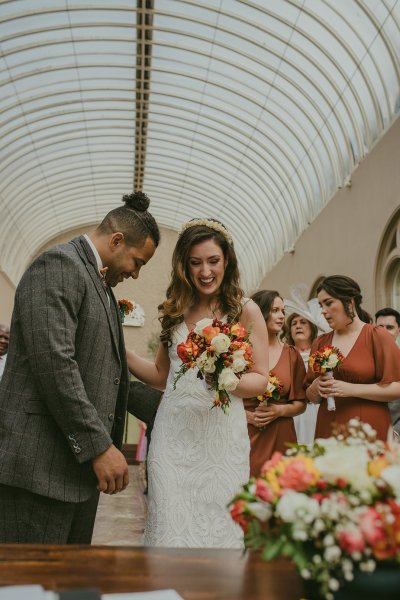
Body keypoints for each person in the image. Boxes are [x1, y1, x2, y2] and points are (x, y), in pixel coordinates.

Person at [0, 192, 159, 544]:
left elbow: (106, 375)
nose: (135, 273)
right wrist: (99, 448)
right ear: (117, 240)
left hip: (75, 477)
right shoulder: (58, 265)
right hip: (38, 472)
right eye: (138, 261)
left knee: (65, 588)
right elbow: (55, 366)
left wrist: (172, 408)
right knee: (31, 590)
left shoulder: (102, 285)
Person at [126, 219, 269, 548]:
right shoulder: (175, 309)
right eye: (195, 263)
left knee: (220, 528)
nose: (205, 271)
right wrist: (123, 352)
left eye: (213, 261)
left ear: (227, 261)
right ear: (184, 267)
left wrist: (224, 378)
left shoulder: (245, 311)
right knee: (169, 527)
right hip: (172, 437)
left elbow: (260, 380)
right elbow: (162, 376)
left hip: (221, 438)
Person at [306, 276, 400, 441]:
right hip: (329, 427)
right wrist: (315, 387)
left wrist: (351, 389)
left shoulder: (377, 336)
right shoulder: (320, 342)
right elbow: (311, 397)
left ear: (349, 302)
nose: (323, 311)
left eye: (328, 303)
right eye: (321, 305)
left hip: (369, 428)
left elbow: (396, 389)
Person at [244, 290, 306, 477]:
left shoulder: (291, 354)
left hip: (282, 434)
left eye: (282, 311)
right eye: (275, 310)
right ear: (260, 313)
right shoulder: (239, 351)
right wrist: (247, 416)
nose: (281, 316)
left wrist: (279, 411)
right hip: (246, 434)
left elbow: (301, 404)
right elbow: (222, 397)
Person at [285, 313, 319, 444]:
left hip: (316, 410)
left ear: (312, 328)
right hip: (292, 410)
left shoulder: (321, 354)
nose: (298, 326)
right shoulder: (284, 355)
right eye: (294, 324)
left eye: (303, 322)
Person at [375, 307, 400, 436]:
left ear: (399, 330)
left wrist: (396, 432)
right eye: (380, 327)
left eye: (389, 327)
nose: (383, 332)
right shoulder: (363, 360)